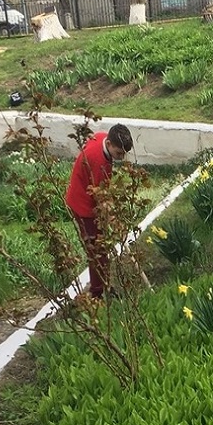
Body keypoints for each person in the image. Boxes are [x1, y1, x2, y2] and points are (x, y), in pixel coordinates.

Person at [65, 124, 133, 299]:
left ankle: (104, 284)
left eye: (124, 154)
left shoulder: (103, 137)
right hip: (83, 205)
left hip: (90, 197)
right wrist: (114, 222)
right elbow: (101, 199)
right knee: (97, 250)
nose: (120, 157)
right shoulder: (98, 161)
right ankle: (97, 293)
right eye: (119, 153)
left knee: (102, 247)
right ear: (109, 143)